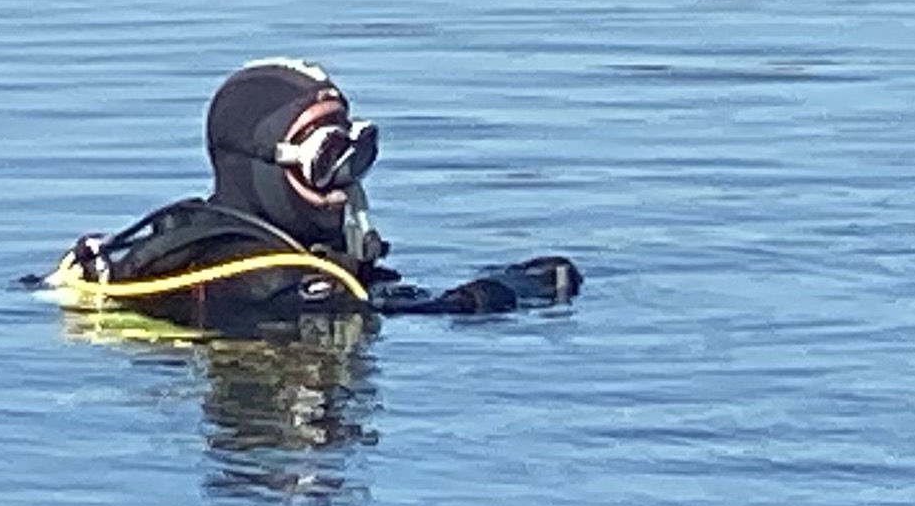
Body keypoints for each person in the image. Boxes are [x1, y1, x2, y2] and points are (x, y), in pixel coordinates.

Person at [41, 60, 582, 331]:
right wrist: (505, 291)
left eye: (357, 153)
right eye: (327, 158)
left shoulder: (188, 238)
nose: (345, 181)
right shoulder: (277, 279)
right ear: (262, 163)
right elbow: (391, 312)